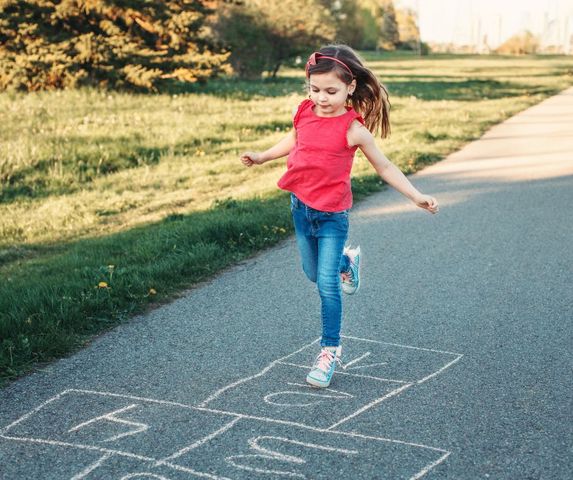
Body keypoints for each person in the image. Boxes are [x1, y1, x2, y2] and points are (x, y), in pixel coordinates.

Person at [240, 44, 439, 388]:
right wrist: (261, 156)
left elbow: (385, 166)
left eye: (331, 91)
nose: (321, 98)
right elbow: (293, 140)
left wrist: (416, 196)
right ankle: (348, 264)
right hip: (300, 208)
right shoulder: (303, 112)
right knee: (312, 273)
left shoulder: (354, 129)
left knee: (326, 285)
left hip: (332, 216)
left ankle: (329, 351)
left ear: (350, 87)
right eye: (314, 90)